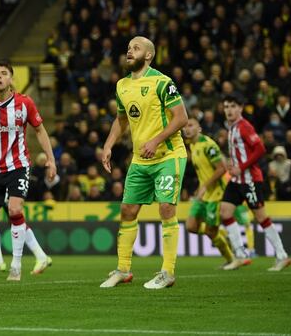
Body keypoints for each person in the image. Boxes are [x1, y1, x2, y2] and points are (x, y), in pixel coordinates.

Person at [100, 36, 188, 289]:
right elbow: (121, 120)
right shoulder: (122, 85)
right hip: (140, 160)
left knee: (166, 209)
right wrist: (108, 145)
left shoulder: (163, 82)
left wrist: (157, 140)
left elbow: (181, 117)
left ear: (148, 55)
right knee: (127, 211)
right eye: (128, 48)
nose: (129, 51)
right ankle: (123, 270)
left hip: (168, 156)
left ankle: (167, 272)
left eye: (136, 48)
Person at [0, 61, 56, 281]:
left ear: (11, 79)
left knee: (15, 210)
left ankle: (16, 265)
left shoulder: (25, 103)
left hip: (18, 166)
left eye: (3, 73)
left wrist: (51, 160)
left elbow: (40, 130)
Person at [220, 95, 291, 271]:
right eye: (226, 106)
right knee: (225, 211)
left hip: (250, 179)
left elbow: (260, 149)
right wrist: (232, 163)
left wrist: (241, 167)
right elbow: (240, 152)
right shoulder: (231, 127)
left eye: (232, 106)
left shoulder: (244, 126)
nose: (228, 110)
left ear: (240, 108)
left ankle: (282, 255)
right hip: (237, 180)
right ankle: (241, 255)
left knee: (261, 217)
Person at [182, 118, 251, 268]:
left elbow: (222, 168)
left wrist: (205, 186)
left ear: (199, 128)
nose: (186, 129)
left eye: (190, 125)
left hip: (216, 194)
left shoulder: (208, 145)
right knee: (191, 227)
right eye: (185, 126)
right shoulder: (193, 146)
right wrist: (201, 187)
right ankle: (220, 236)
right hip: (203, 194)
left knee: (210, 231)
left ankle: (231, 258)